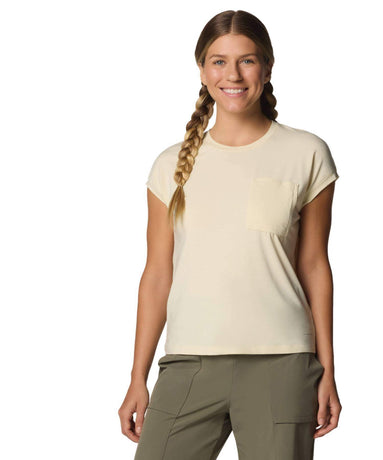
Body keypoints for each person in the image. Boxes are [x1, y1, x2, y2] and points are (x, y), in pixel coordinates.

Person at [118, 9, 342, 460]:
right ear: (202, 71)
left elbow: (314, 265)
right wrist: (137, 376)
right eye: (219, 61)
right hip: (189, 362)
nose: (233, 74)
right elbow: (157, 274)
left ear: (267, 68)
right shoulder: (170, 165)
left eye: (247, 60)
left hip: (282, 364)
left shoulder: (306, 153)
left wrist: (328, 370)